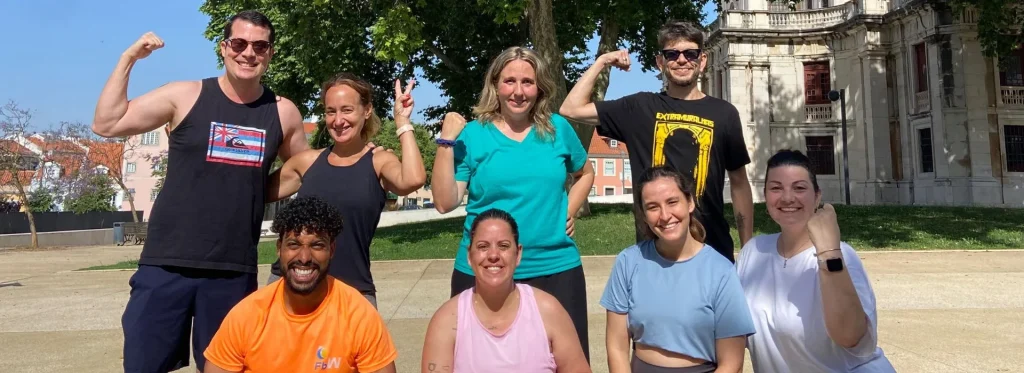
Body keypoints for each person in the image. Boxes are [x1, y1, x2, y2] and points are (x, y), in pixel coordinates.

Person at [91, 10, 310, 372]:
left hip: (232, 270)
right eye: (239, 43)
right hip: (165, 265)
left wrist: (258, 190)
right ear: (224, 48)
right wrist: (128, 58)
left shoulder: (283, 112)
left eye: (259, 46)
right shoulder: (185, 95)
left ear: (270, 53)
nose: (248, 53)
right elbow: (107, 122)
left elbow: (303, 169)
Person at [430, 46, 596, 360]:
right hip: (484, 270)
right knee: (481, 362)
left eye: (527, 82)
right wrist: (446, 141)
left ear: (540, 88)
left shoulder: (558, 129)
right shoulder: (472, 135)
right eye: (509, 81)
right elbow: (444, 201)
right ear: (495, 85)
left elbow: (585, 172)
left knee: (567, 362)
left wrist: (568, 210)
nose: (518, 92)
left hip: (555, 267)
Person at [559, 20, 754, 263]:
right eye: (672, 54)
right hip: (654, 253)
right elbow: (571, 108)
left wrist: (747, 248)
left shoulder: (725, 113)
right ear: (660, 62)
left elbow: (739, 183)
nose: (681, 60)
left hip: (713, 250)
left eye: (690, 53)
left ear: (702, 60)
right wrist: (603, 61)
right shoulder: (639, 108)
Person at [265, 72, 427, 308]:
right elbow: (251, 190)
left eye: (347, 110)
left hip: (352, 294)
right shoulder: (306, 162)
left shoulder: (379, 161)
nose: (338, 120)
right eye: (331, 111)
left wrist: (402, 123)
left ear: (367, 110)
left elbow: (413, 179)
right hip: (289, 287)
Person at [736, 150, 895, 372]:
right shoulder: (752, 253)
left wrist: (828, 254)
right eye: (776, 188)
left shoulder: (841, 256)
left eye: (799, 188)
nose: (787, 197)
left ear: (817, 196)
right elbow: (734, 332)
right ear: (765, 196)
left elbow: (850, 335)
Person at [203, 195, 398, 373]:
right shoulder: (247, 315)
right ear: (279, 249)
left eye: (317, 245)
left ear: (332, 250)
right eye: (294, 245)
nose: (304, 258)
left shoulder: (358, 314)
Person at [600, 166, 754, 373]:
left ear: (689, 202)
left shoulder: (721, 271)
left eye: (672, 202)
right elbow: (617, 348)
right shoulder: (628, 262)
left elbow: (732, 363)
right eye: (653, 207)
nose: (665, 215)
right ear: (644, 216)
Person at [420, 208, 591, 373]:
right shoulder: (446, 322)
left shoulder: (548, 311)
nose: (493, 255)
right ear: (469, 256)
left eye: (503, 246)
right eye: (483, 246)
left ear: (518, 254)